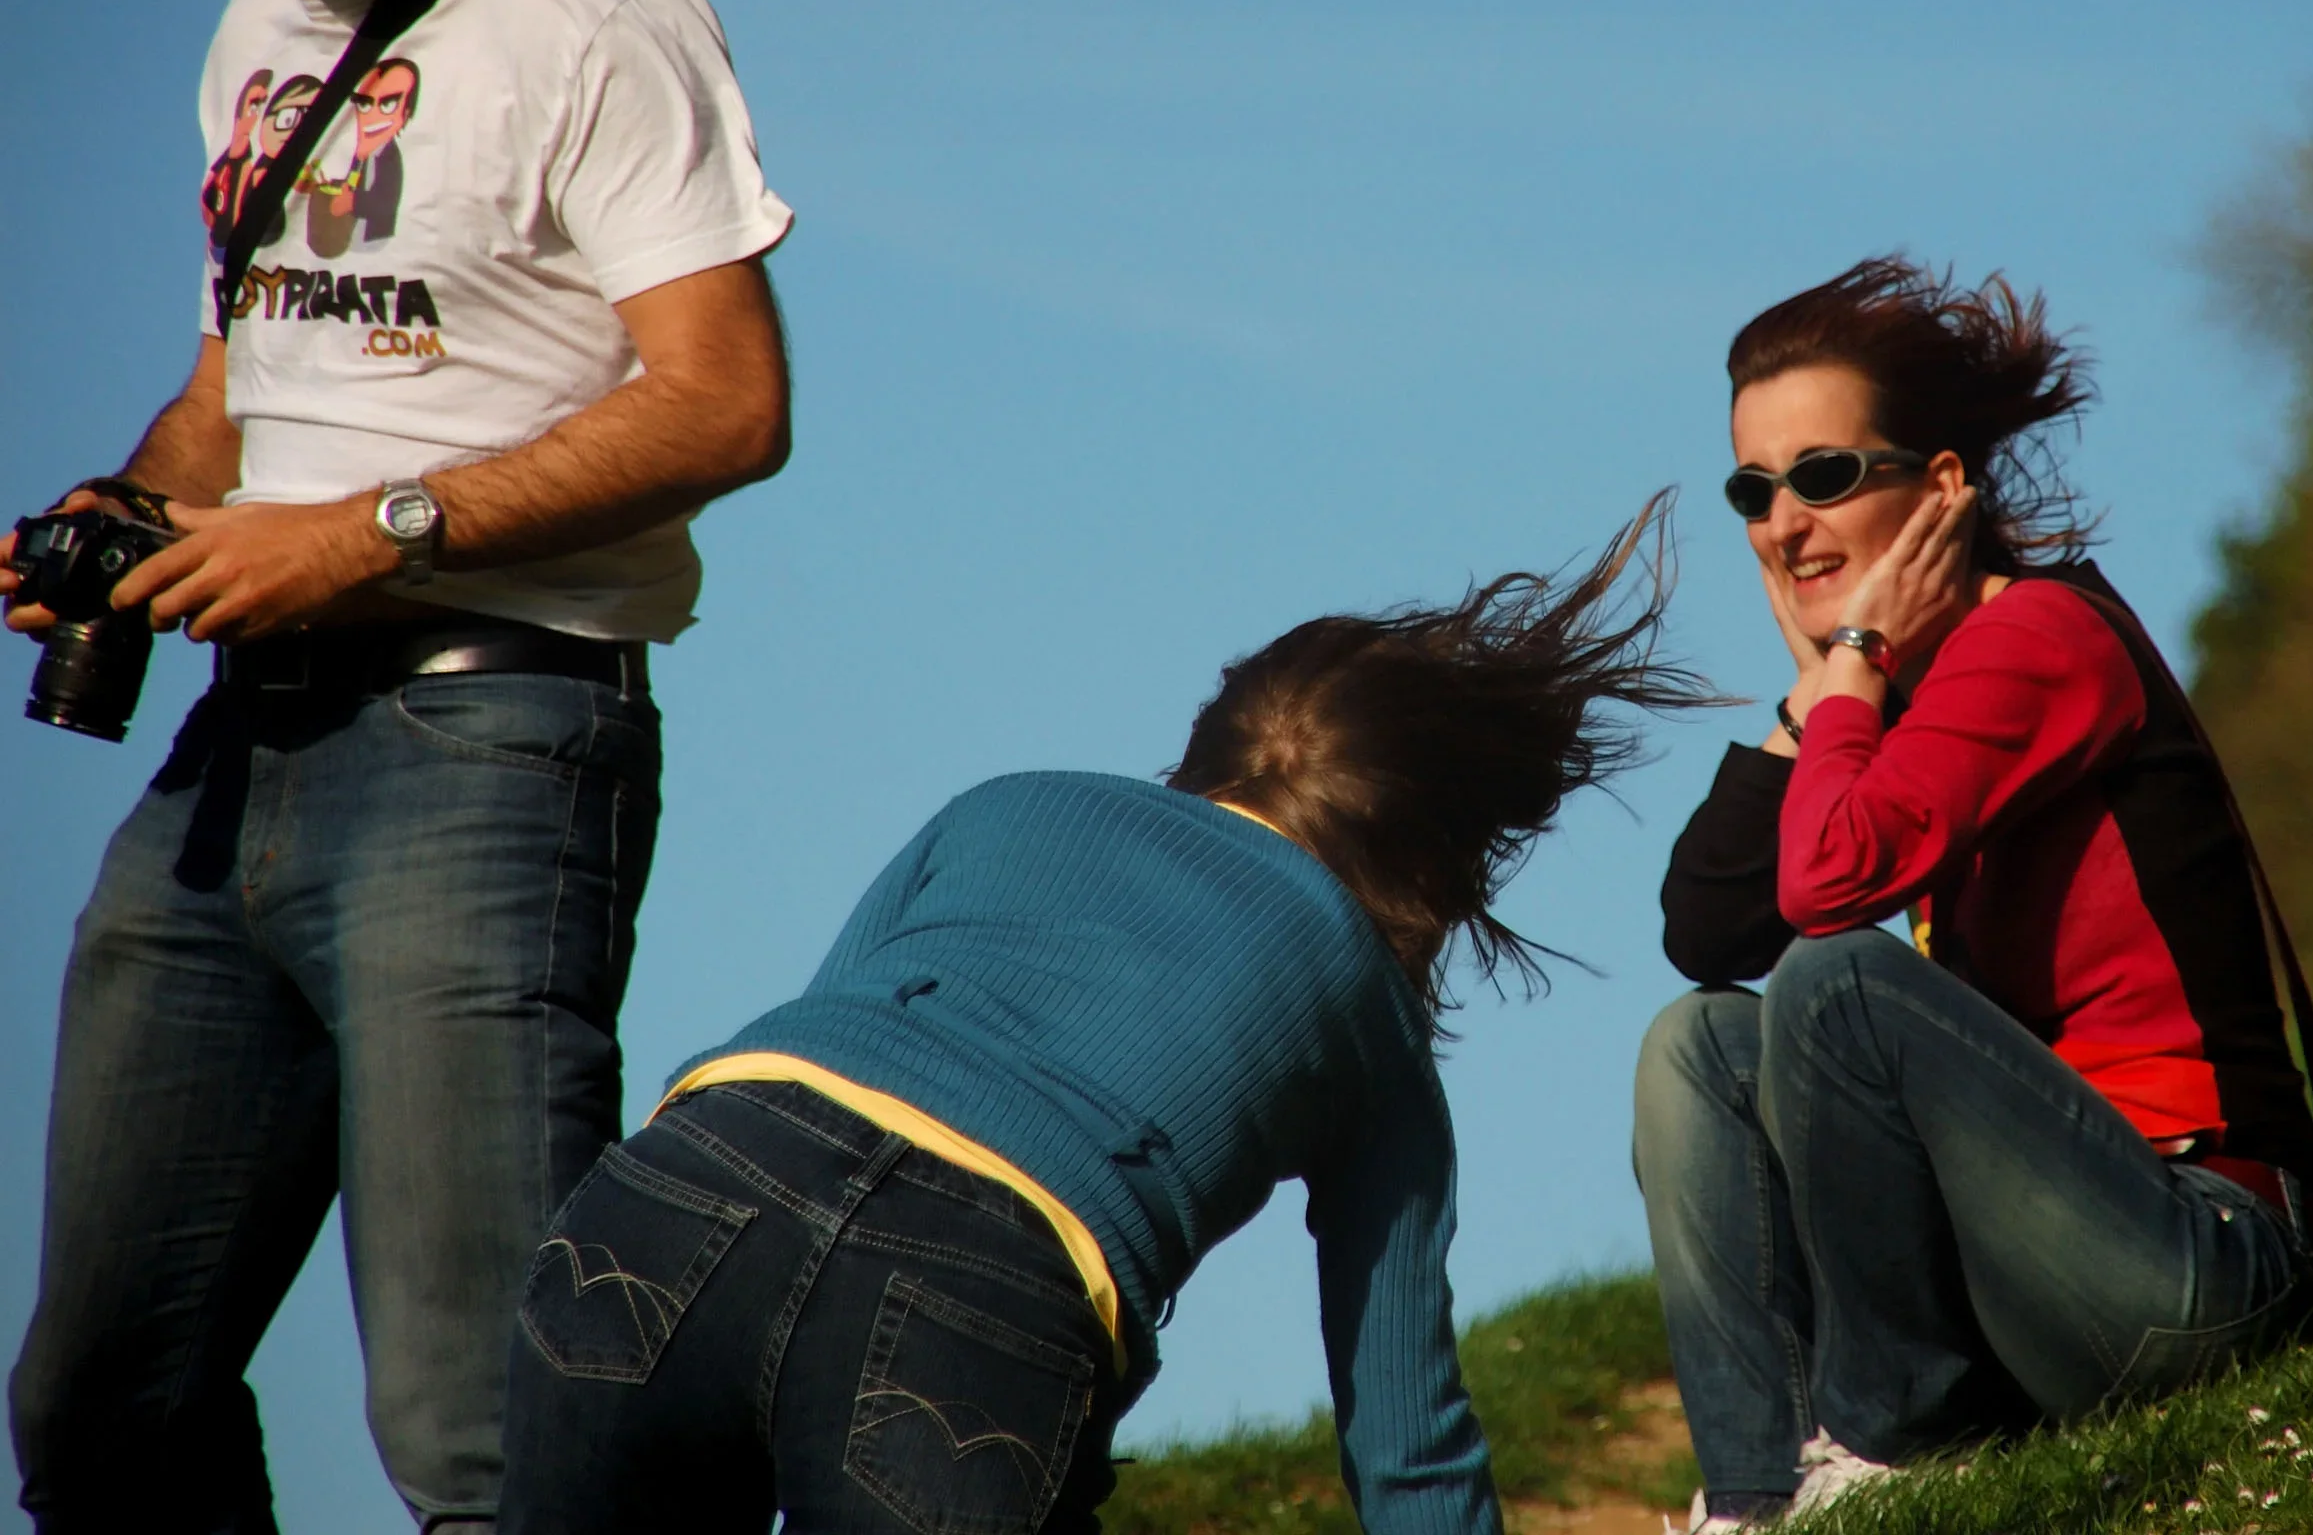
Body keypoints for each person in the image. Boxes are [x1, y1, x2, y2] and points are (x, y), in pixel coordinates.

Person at [6, 0, 794, 1534]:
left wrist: (365, 538)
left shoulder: (585, 5)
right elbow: (239, 387)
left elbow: (726, 403)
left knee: (486, 1436)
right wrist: (117, 519)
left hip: (487, 742)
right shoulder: (251, 33)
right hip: (236, 751)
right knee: (99, 1402)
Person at [496, 506, 1708, 1535]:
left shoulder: (1007, 800)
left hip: (675, 1197)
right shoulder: (1370, 1019)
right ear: (1430, 865)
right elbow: (1408, 1446)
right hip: (980, 1290)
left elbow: (829, 1039)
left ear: (1205, 746)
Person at [1633, 259, 2313, 1528]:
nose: (1783, 524)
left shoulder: (2040, 636)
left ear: (1940, 486)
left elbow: (1828, 887)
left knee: (1838, 980)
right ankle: (1756, 1497)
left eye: (1823, 474)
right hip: (2039, 1271)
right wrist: (1823, 692)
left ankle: (1895, 1446)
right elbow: (1707, 925)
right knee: (1697, 1045)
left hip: (2194, 1247)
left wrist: (1852, 667)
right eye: (1753, 489)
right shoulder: (1887, 696)